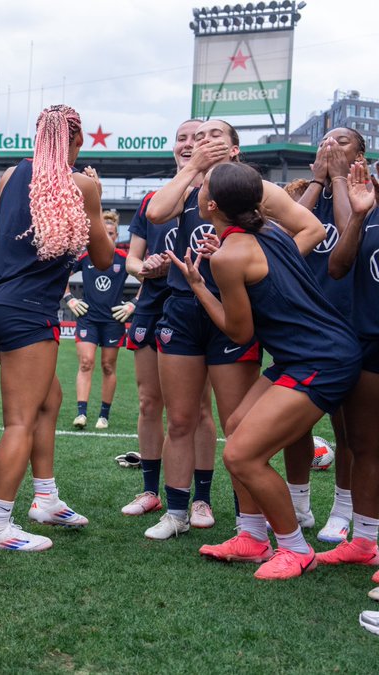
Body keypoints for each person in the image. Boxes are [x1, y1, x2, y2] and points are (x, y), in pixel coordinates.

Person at [169, 161, 360, 579]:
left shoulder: (230, 256)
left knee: (241, 455)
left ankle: (295, 549)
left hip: (321, 360)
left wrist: (199, 286)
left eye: (202, 188)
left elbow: (239, 333)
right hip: (308, 354)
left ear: (213, 204)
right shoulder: (269, 231)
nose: (197, 193)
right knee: (236, 425)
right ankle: (252, 538)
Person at [149, 119, 323, 555]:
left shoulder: (254, 190)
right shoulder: (191, 187)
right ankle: (176, 512)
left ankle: (250, 527)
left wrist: (263, 270)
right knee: (181, 418)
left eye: (214, 137)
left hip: (233, 310)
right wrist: (191, 170)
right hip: (185, 306)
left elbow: (312, 229)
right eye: (198, 137)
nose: (204, 142)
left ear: (235, 148)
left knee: (237, 423)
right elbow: (155, 212)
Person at [0, 104, 112, 553]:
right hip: (27, 313)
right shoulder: (83, 185)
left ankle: (46, 498)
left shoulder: (12, 174)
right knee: (21, 420)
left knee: (49, 398)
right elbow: (105, 259)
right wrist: (98, 198)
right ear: (76, 141)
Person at [121, 119, 217, 518]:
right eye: (182, 138)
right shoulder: (153, 200)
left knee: (198, 409)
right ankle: (150, 491)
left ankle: (201, 498)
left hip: (196, 300)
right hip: (153, 300)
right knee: (148, 402)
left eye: (198, 138)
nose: (189, 144)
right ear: (173, 147)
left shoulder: (216, 194)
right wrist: (147, 268)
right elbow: (130, 260)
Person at [289, 129, 365, 542]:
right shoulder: (302, 192)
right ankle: (299, 505)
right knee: (294, 422)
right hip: (302, 323)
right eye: (325, 141)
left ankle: (342, 507)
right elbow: (283, 241)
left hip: (351, 321)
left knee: (348, 427)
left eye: (342, 141)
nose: (330, 146)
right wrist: (319, 179)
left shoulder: (366, 192)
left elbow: (347, 242)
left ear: (361, 155)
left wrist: (338, 179)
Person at [322, 160, 379, 580]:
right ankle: (363, 542)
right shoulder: (369, 212)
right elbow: (337, 267)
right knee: (363, 445)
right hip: (368, 340)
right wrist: (358, 216)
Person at [66, 210, 129, 430]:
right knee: (86, 362)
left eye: (110, 233)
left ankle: (104, 415)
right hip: (88, 319)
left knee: (108, 366)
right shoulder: (85, 258)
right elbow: (60, 274)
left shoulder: (124, 260)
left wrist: (133, 304)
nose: (107, 237)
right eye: (103, 233)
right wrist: (69, 299)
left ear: (116, 236)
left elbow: (149, 280)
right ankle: (81, 414)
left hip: (113, 321)